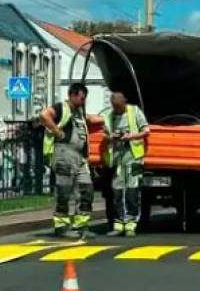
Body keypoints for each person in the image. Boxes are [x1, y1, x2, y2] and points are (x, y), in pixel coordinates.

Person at [41, 83, 95, 239]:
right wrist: (57, 132)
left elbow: (88, 121)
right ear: (72, 95)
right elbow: (44, 115)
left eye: (84, 98)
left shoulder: (79, 112)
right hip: (64, 154)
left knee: (86, 190)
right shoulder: (61, 107)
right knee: (64, 191)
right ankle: (62, 227)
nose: (83, 101)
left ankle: (81, 225)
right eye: (81, 97)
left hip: (80, 157)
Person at [102, 91, 149, 237]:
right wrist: (111, 136)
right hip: (118, 159)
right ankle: (118, 224)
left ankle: (131, 224)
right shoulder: (109, 116)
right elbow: (104, 133)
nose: (116, 109)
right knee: (116, 191)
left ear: (124, 102)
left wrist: (129, 136)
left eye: (118, 106)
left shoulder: (134, 111)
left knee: (132, 191)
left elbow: (146, 130)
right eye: (114, 107)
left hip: (134, 157)